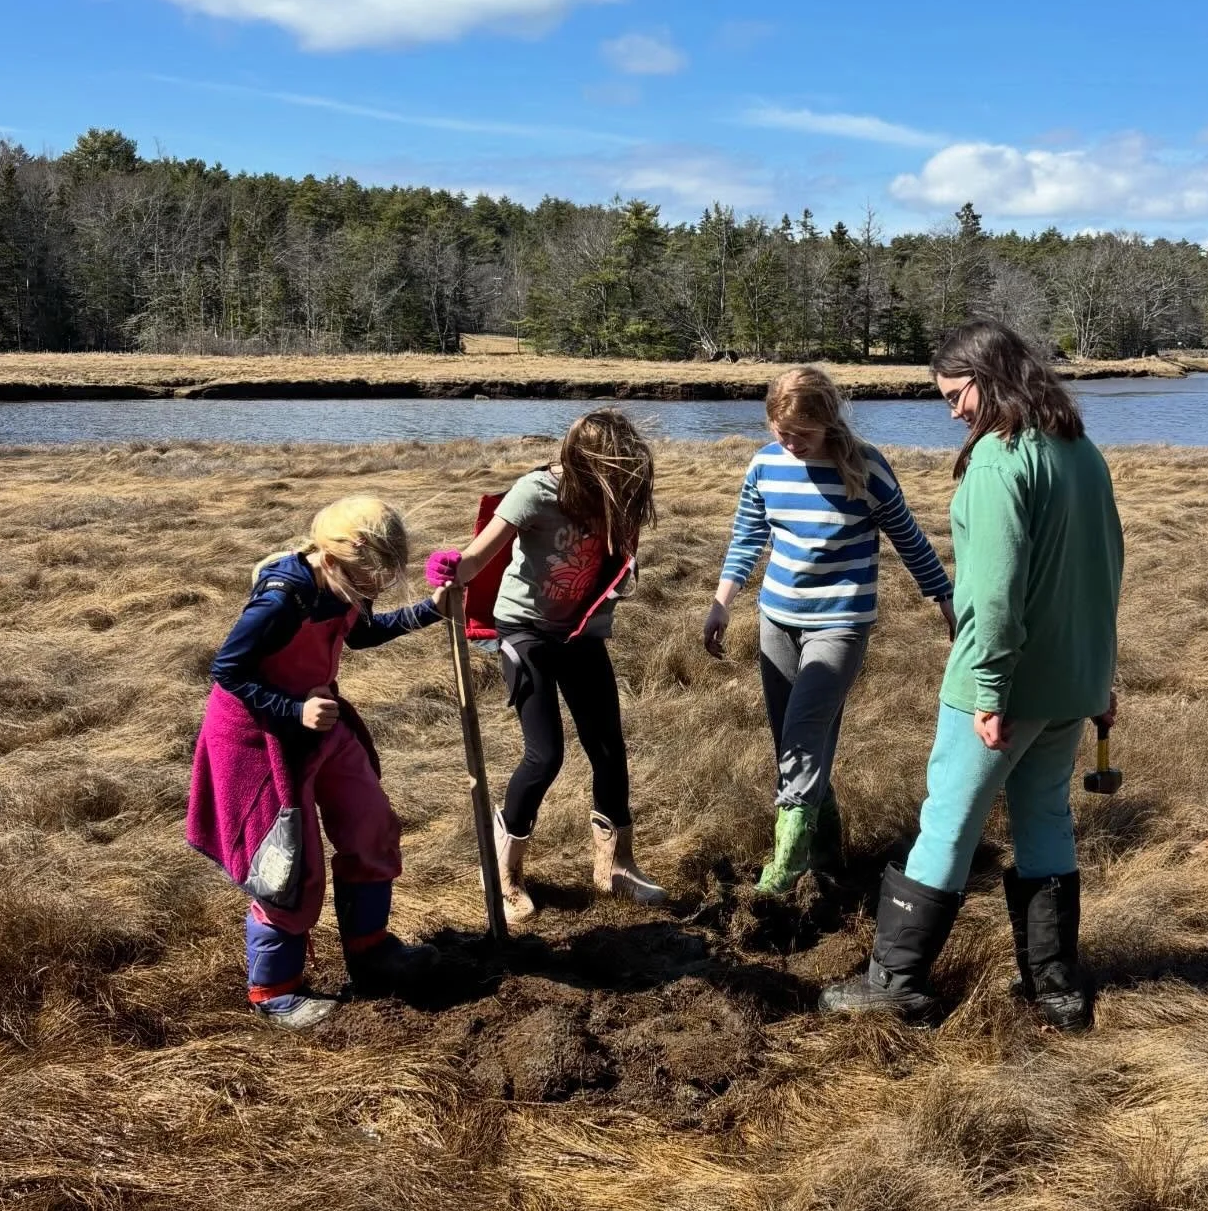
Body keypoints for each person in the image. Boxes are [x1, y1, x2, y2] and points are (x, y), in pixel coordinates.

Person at [820, 321, 1124, 1031]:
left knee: (948, 820)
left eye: (957, 394)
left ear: (990, 380)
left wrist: (988, 689)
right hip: (1068, 685)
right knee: (1044, 815)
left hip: (1006, 689)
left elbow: (992, 594)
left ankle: (894, 983)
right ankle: (1055, 990)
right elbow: (1106, 572)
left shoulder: (998, 458)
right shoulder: (1082, 451)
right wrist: (1098, 677)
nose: (953, 410)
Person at [187, 495, 446, 1031]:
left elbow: (362, 631)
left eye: (378, 576)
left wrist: (431, 610)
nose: (370, 587)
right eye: (361, 575)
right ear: (328, 559)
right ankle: (275, 990)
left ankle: (370, 950)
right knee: (286, 865)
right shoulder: (282, 600)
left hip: (321, 721)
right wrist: (294, 710)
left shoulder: (348, 584)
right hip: (259, 737)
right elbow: (227, 671)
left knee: (371, 823)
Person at [703, 366, 955, 893]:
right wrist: (722, 603)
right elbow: (747, 537)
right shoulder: (765, 466)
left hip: (840, 623)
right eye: (781, 431)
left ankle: (786, 866)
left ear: (827, 422)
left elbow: (909, 540)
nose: (791, 443)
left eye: (803, 433)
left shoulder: (866, 468)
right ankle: (827, 852)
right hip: (777, 618)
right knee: (794, 741)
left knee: (802, 734)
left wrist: (945, 598)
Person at [426, 409, 665, 923]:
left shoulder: (615, 499)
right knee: (545, 755)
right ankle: (506, 875)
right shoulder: (534, 491)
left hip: (579, 631)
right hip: (525, 631)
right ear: (587, 465)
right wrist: (451, 570)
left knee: (608, 746)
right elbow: (477, 558)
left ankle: (615, 867)